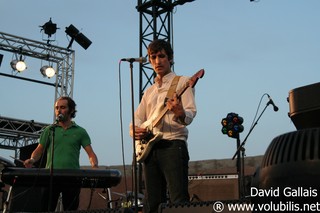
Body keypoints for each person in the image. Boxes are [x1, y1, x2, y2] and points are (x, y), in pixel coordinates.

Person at [130, 39, 197, 213]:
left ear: (170, 58)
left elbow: (190, 113)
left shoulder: (183, 82)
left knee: (178, 200)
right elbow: (138, 117)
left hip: (173, 145)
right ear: (150, 61)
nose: (158, 61)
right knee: (152, 202)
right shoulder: (149, 91)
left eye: (162, 56)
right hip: (150, 148)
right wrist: (134, 130)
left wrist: (180, 112)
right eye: (153, 57)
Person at [24, 96, 99, 211]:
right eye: (56, 108)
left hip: (72, 177)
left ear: (71, 110)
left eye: (62, 107)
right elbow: (39, 150)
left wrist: (94, 166)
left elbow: (91, 154)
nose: (58, 110)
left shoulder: (80, 131)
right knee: (46, 209)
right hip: (50, 177)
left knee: (70, 209)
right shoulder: (49, 130)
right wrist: (32, 159)